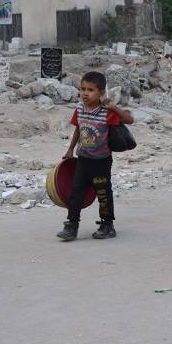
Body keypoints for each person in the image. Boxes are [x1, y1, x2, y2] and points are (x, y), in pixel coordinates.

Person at [57, 71, 134, 241]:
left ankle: (107, 225)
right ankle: (71, 225)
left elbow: (129, 120)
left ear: (101, 93)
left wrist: (114, 107)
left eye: (91, 90)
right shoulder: (79, 109)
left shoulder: (106, 112)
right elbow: (78, 128)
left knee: (103, 193)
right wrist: (70, 150)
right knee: (76, 192)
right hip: (83, 159)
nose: (85, 93)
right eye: (83, 89)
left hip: (101, 162)